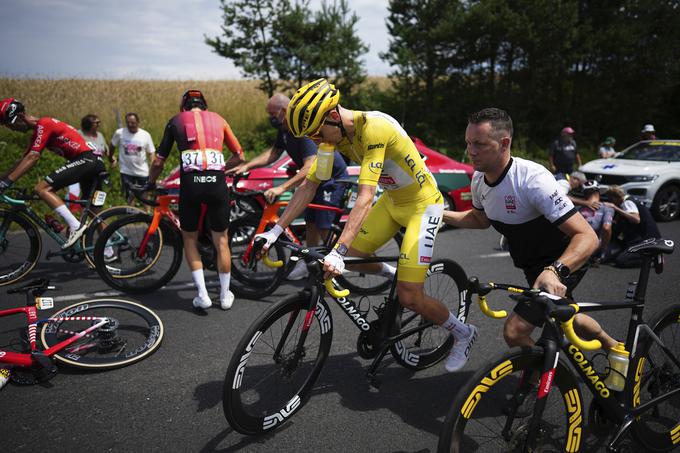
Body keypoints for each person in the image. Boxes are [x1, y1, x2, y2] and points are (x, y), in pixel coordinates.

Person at [255, 78, 477, 372]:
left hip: (423, 206)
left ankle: (463, 333)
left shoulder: (375, 128)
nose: (318, 141)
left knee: (410, 296)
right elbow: (310, 184)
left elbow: (365, 196)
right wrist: (274, 231)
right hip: (394, 202)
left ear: (333, 116)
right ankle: (392, 272)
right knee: (351, 259)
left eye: (318, 134)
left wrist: (339, 250)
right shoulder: (332, 135)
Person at [442, 108, 618, 353]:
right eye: (468, 143)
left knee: (515, 331)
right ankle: (617, 349)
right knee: (567, 316)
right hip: (531, 266)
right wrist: (438, 213)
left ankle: (537, 379)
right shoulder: (479, 179)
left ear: (504, 143)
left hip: (563, 260)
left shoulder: (532, 180)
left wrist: (554, 271)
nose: (471, 151)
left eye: (479, 144)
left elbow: (587, 236)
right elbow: (480, 219)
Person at [230, 93, 349, 280]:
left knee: (324, 227)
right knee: (310, 224)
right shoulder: (285, 129)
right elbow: (274, 152)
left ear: (284, 111)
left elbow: (310, 166)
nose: (270, 118)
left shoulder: (300, 131)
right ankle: (309, 262)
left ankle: (342, 260)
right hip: (317, 179)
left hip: (331, 180)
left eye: (272, 114)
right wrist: (247, 165)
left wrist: (281, 188)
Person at [147, 90, 245, 311]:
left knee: (189, 239)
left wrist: (149, 182)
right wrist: (218, 168)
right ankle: (225, 295)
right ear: (205, 104)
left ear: (184, 106)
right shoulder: (219, 119)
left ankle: (202, 295)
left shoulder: (175, 121)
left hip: (191, 185)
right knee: (222, 241)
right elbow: (240, 155)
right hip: (217, 183)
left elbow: (158, 162)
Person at [0, 98, 105, 248]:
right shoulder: (38, 131)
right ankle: (108, 254)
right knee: (95, 213)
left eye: (10, 125)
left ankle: (76, 226)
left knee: (41, 188)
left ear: (21, 117)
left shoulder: (44, 123)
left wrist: (6, 183)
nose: (12, 129)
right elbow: (24, 160)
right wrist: (2, 178)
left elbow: (33, 157)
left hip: (87, 159)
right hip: (91, 161)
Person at [603, 185, 660, 268]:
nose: (612, 202)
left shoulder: (627, 203)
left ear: (615, 197)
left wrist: (616, 208)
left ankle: (652, 260)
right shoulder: (631, 200)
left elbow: (636, 219)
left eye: (611, 199)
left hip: (647, 241)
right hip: (646, 238)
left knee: (621, 261)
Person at [110, 112, 155, 203]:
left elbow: (151, 152)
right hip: (126, 171)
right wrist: (111, 158)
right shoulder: (120, 133)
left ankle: (148, 214)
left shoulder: (145, 135)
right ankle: (131, 214)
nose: (130, 125)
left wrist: (153, 166)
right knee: (129, 195)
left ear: (138, 122)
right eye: (128, 123)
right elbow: (112, 145)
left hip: (142, 171)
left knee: (145, 195)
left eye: (133, 123)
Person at [578, 180, 613, 262]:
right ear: (598, 192)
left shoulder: (577, 208)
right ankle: (599, 254)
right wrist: (602, 249)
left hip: (577, 242)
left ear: (584, 193)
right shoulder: (607, 207)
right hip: (594, 245)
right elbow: (606, 228)